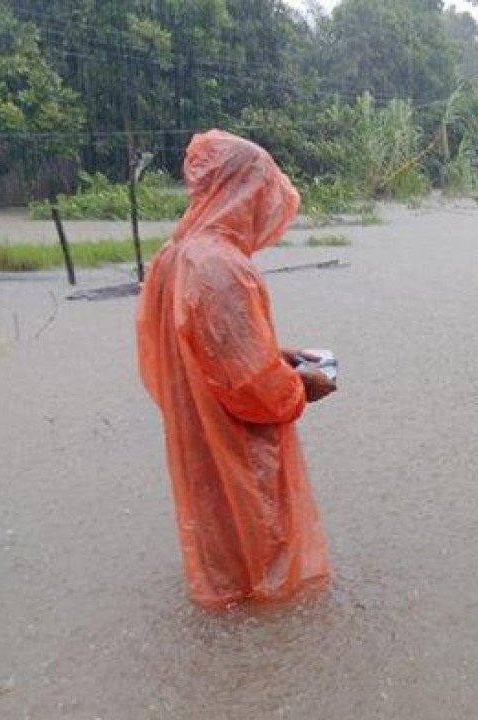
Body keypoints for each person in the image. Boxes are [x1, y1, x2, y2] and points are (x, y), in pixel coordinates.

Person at [136, 130, 336, 608]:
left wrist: (276, 354)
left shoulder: (176, 254)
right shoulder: (221, 265)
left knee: (215, 524)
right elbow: (251, 387)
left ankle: (226, 622)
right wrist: (300, 386)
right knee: (258, 540)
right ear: (245, 191)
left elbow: (193, 349)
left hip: (195, 424)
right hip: (235, 436)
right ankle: (263, 624)